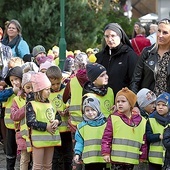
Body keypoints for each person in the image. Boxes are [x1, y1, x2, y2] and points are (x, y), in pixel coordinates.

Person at [101, 87, 147, 170]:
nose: (119, 104)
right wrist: (106, 153)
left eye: (123, 101)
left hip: (132, 159)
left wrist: (142, 156)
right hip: (116, 159)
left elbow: (143, 140)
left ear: (130, 104)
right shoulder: (113, 118)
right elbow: (107, 137)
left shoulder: (142, 121)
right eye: (118, 101)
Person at [26, 72, 62, 169]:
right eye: (46, 89)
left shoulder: (51, 102)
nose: (49, 91)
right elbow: (30, 122)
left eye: (49, 89)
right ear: (39, 90)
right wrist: (46, 126)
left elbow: (57, 116)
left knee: (48, 165)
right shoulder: (32, 104)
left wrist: (57, 121)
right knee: (37, 166)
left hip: (50, 139)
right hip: (39, 140)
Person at [95, 23, 138, 95]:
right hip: (103, 99)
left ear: (120, 36)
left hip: (122, 101)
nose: (109, 39)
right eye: (107, 36)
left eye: (113, 36)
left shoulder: (129, 55)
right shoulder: (101, 56)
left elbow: (135, 81)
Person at [130, 18, 170, 96]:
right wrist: (135, 104)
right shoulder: (147, 52)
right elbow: (135, 80)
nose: (160, 35)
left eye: (165, 32)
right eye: (159, 31)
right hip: (147, 104)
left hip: (167, 105)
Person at [46, 66, 73, 170]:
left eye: (58, 83)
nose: (56, 86)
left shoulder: (65, 90)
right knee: (55, 157)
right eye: (53, 84)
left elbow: (70, 102)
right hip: (54, 130)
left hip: (66, 129)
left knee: (68, 155)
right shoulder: (46, 93)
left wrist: (68, 109)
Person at [73, 96, 107, 170]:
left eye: (93, 109)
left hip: (103, 159)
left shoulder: (106, 125)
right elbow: (79, 142)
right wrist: (77, 153)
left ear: (98, 109)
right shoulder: (81, 127)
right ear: (84, 112)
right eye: (87, 110)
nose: (90, 112)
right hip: (89, 161)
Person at [10, 70, 35, 170]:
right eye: (28, 87)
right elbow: (14, 116)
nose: (31, 90)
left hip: (36, 135)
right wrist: (26, 107)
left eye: (33, 87)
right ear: (23, 87)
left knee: (36, 160)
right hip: (23, 135)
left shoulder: (40, 98)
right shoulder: (17, 99)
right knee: (24, 159)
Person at [3, 66, 23, 170]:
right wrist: (12, 91)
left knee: (23, 151)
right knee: (10, 152)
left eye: (16, 79)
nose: (14, 82)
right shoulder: (8, 92)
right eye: (11, 80)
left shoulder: (25, 90)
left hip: (22, 128)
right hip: (10, 127)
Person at [146, 92, 170, 170]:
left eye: (164, 105)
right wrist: (159, 136)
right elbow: (148, 136)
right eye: (158, 104)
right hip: (154, 159)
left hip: (168, 159)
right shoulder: (151, 119)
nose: (160, 107)